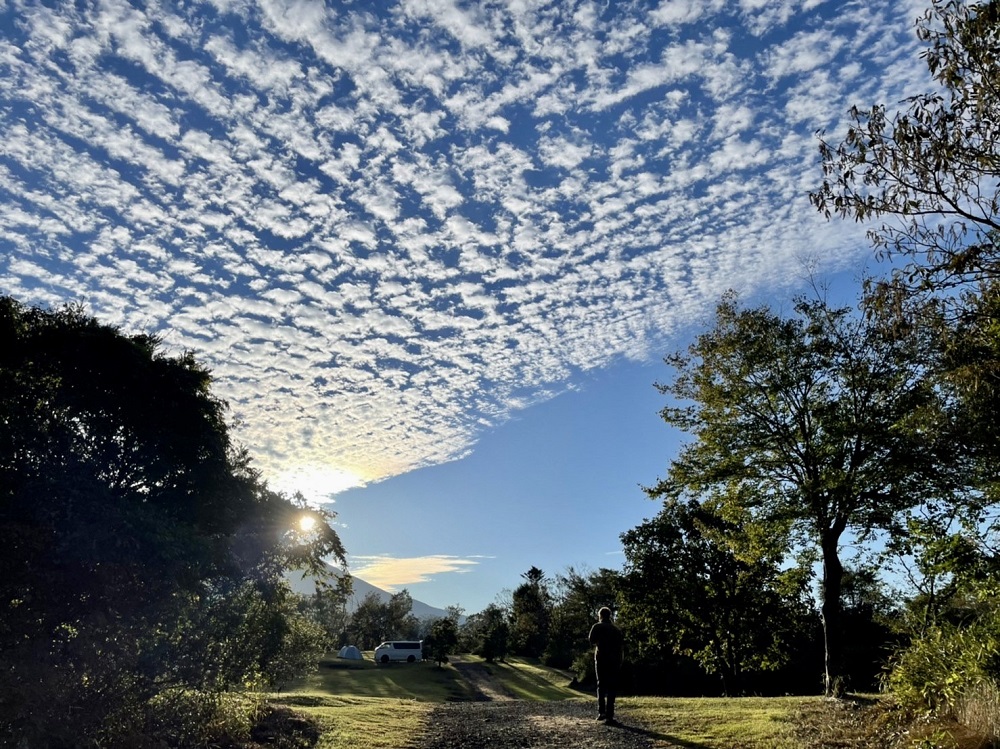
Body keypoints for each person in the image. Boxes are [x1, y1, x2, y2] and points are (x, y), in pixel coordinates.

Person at [588, 606, 624, 725]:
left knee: (601, 685)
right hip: (614, 660)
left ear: (600, 616)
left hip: (601, 659)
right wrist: (620, 661)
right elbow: (620, 647)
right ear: (610, 616)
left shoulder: (597, 626)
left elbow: (591, 640)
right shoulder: (616, 630)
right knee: (612, 687)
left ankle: (601, 712)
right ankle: (610, 715)